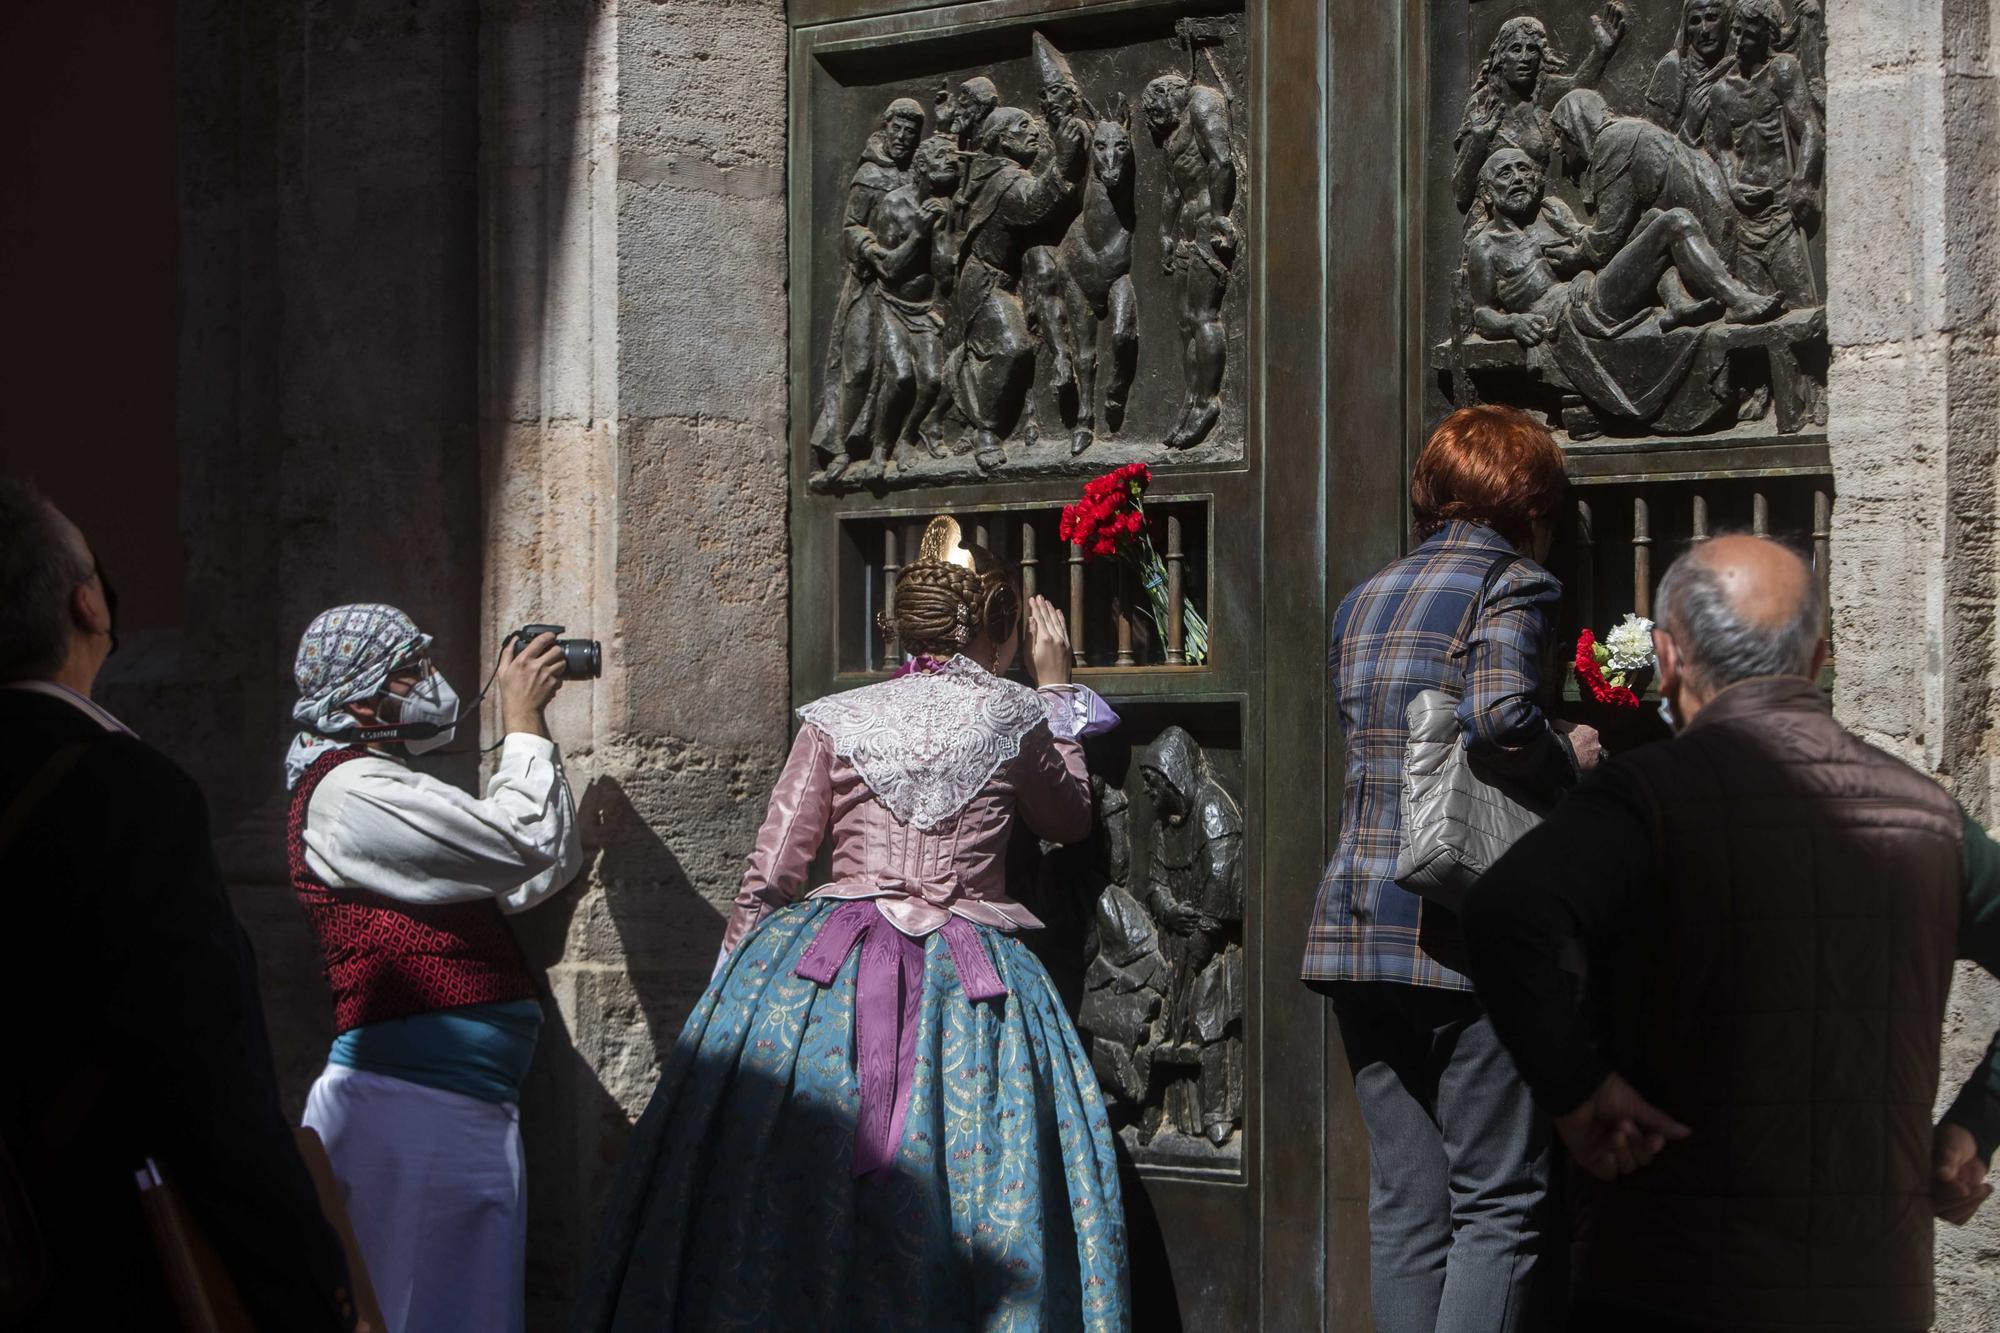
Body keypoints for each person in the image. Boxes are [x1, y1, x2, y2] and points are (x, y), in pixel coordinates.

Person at [575, 516, 1129, 1331]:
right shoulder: (1012, 717)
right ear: (990, 625)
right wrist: (1053, 690)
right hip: (969, 983)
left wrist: (725, 1009)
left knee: (794, 1177)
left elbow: (775, 869)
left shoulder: (841, 717)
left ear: (899, 628)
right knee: (971, 1166)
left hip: (819, 975)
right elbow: (1072, 815)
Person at [1462, 534, 2000, 1331]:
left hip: (1668, 1282)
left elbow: (1505, 912)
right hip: (1870, 1289)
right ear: (1818, 657)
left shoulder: (1640, 799)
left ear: (1669, 661)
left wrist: (1577, 1089)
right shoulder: (1929, 817)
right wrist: (1973, 1126)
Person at [0, 477, 357, 1330]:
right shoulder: (125, 794)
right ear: (88, 604)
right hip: (81, 1263)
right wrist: (311, 1286)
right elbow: (206, 1083)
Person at [1301, 406, 1600, 1333]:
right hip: (1458, 927)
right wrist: (1573, 758)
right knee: (1500, 1200)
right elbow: (1503, 716)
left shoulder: (1367, 596)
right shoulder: (1513, 582)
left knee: (1406, 1203)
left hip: (1358, 927)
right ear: (1531, 502)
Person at [286, 604, 583, 1333]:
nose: (435, 682)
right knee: (406, 1312)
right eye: (411, 670)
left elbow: (529, 866)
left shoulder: (385, 779)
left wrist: (530, 742)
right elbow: (522, 840)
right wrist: (520, 723)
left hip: (459, 1111)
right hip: (405, 1114)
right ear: (362, 700)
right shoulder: (348, 790)